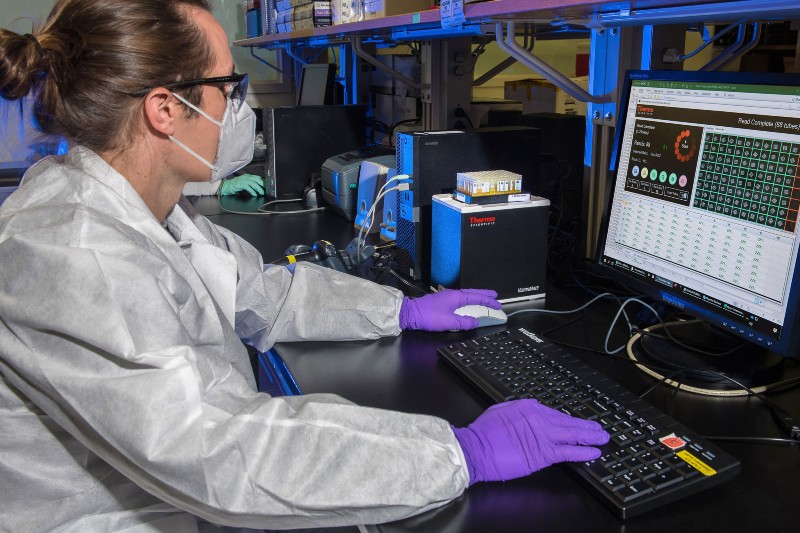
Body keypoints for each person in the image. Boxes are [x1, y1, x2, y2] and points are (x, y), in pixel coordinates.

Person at [0, 1, 609, 531]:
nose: (239, 108)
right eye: (228, 87)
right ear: (164, 109)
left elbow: (256, 292)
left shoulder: (139, 208)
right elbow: (218, 451)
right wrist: (459, 452)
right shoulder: (73, 254)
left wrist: (399, 310)